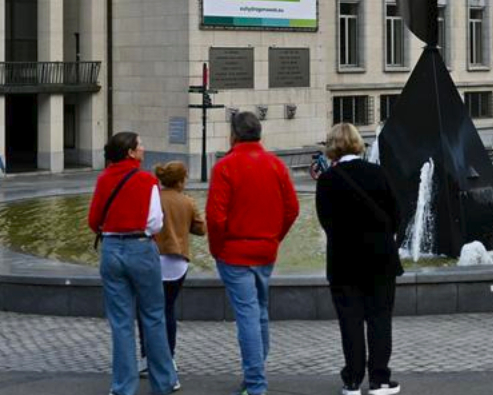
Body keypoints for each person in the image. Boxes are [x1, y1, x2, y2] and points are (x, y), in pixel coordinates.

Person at [207, 111, 300, 395]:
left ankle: (256, 383)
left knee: (247, 316)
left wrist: (217, 249)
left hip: (235, 253)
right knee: (259, 312)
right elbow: (292, 209)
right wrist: (274, 238)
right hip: (264, 251)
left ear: (233, 135)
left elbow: (215, 217)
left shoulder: (225, 167)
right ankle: (254, 375)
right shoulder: (275, 165)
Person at [87, 132, 179, 395]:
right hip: (140, 248)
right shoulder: (146, 180)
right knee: (153, 317)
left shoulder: (104, 179)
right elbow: (156, 223)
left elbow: (93, 220)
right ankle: (163, 383)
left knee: (121, 322)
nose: (143, 148)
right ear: (130, 152)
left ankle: (122, 388)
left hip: (111, 249)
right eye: (140, 145)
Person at [315, 123, 403, 395]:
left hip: (344, 262)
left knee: (350, 322)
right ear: (357, 143)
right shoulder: (378, 173)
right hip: (380, 260)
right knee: (380, 319)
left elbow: (326, 222)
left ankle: (352, 381)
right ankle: (379, 379)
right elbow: (397, 215)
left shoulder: (327, 180)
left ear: (331, 147)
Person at [143, 161, 205, 367]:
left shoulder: (153, 199)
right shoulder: (187, 202)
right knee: (168, 309)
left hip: (154, 260)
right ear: (180, 181)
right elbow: (201, 229)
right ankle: (169, 356)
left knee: (149, 310)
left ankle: (147, 356)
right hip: (177, 263)